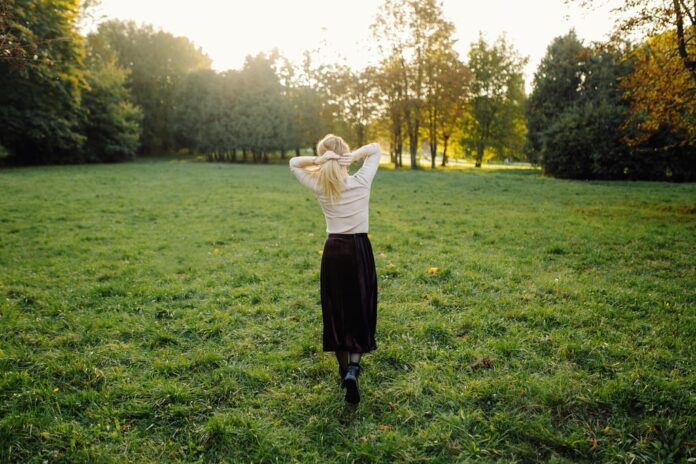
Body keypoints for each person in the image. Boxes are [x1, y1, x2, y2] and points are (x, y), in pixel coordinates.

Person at [289, 133, 382, 404]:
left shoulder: (321, 186)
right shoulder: (361, 181)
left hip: (333, 250)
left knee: (337, 309)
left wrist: (319, 159)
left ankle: (344, 371)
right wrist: (353, 157)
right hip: (358, 248)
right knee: (359, 307)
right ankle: (354, 368)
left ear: (324, 157)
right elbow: (376, 150)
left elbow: (294, 163)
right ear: (345, 156)